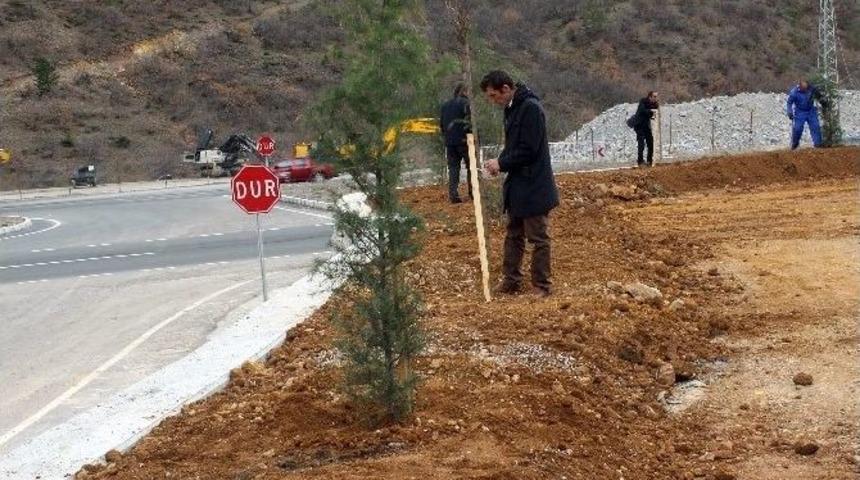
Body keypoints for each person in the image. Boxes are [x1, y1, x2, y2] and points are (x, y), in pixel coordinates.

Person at [481, 70, 559, 298]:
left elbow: (529, 149)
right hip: (517, 184)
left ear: (506, 88)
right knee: (514, 233)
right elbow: (513, 146)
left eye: (494, 95)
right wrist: (499, 163)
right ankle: (511, 279)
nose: (493, 101)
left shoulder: (530, 109)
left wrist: (502, 163)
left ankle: (542, 285)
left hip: (534, 184)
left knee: (538, 237)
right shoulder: (512, 108)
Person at [439, 82, 472, 203]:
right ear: (464, 91)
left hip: (450, 142)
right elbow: (470, 123)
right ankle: (472, 192)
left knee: (453, 168)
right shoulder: (466, 104)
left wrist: (447, 137)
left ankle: (453, 195)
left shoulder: (445, 105)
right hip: (465, 141)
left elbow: (442, 125)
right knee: (471, 167)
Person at [786, 79, 823, 150]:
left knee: (815, 127)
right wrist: (789, 112)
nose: (805, 90)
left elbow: (819, 96)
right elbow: (789, 103)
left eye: (806, 88)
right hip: (800, 112)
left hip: (811, 111)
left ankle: (818, 144)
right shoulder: (794, 92)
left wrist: (823, 102)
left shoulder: (812, 89)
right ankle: (795, 144)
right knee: (797, 129)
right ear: (800, 87)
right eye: (803, 89)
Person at [632, 91, 659, 167]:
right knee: (641, 143)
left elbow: (655, 111)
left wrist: (653, 109)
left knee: (650, 142)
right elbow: (642, 110)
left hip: (646, 125)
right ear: (650, 97)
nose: (656, 98)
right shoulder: (643, 101)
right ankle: (640, 161)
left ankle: (649, 161)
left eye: (656, 96)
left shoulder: (653, 104)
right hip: (639, 125)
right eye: (654, 96)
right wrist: (650, 112)